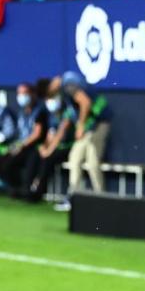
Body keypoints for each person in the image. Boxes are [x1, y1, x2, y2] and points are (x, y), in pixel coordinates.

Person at [58, 72, 112, 205]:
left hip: (99, 125)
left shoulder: (69, 85)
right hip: (87, 129)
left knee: (93, 163)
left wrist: (81, 126)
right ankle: (74, 197)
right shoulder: (64, 93)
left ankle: (101, 198)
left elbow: (85, 102)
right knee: (75, 159)